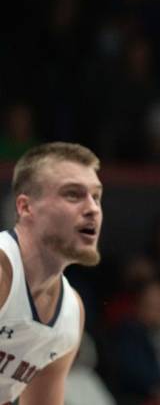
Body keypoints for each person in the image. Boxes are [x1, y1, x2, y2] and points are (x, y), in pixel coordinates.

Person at [0, 142, 103, 403]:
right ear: (25, 207)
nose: (92, 208)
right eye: (73, 194)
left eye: (96, 196)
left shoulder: (70, 313)